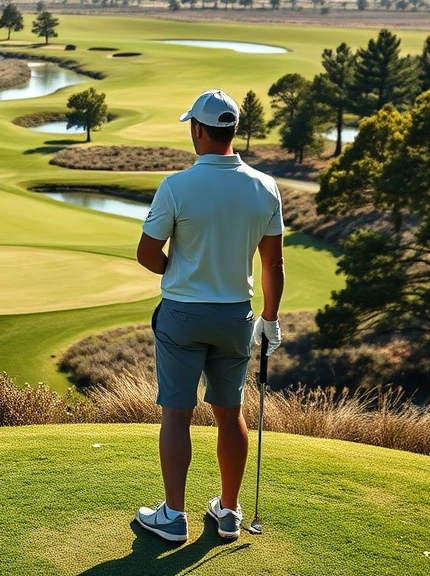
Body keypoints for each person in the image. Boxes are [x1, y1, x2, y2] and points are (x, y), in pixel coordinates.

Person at [133, 89, 285, 543]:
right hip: (236, 317)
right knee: (230, 413)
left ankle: (173, 516)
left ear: (198, 130)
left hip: (182, 316)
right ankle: (230, 513)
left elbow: (146, 253)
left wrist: (176, 268)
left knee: (177, 416)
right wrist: (271, 319)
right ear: (232, 130)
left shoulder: (176, 186)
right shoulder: (265, 186)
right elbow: (273, 265)